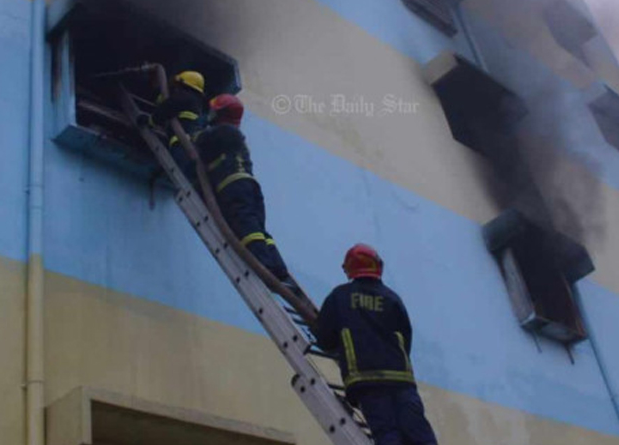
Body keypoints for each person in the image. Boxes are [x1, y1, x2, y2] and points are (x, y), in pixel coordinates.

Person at [314, 244, 438, 445]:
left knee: (387, 432)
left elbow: (325, 339)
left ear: (349, 269)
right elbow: (406, 339)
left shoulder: (340, 296)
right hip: (401, 380)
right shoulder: (392, 298)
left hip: (366, 380)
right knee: (418, 433)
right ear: (377, 266)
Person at [195, 93, 293, 284]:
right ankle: (279, 269)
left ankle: (263, 264)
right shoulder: (235, 136)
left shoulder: (223, 131)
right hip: (249, 187)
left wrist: (195, 129)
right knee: (259, 231)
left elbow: (199, 140)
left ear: (220, 114)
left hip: (233, 186)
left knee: (246, 227)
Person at [151, 70, 206, 181]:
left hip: (181, 145)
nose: (175, 89)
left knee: (173, 169)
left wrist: (150, 121)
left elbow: (167, 107)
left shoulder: (185, 97)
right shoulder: (196, 104)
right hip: (191, 148)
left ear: (184, 85)